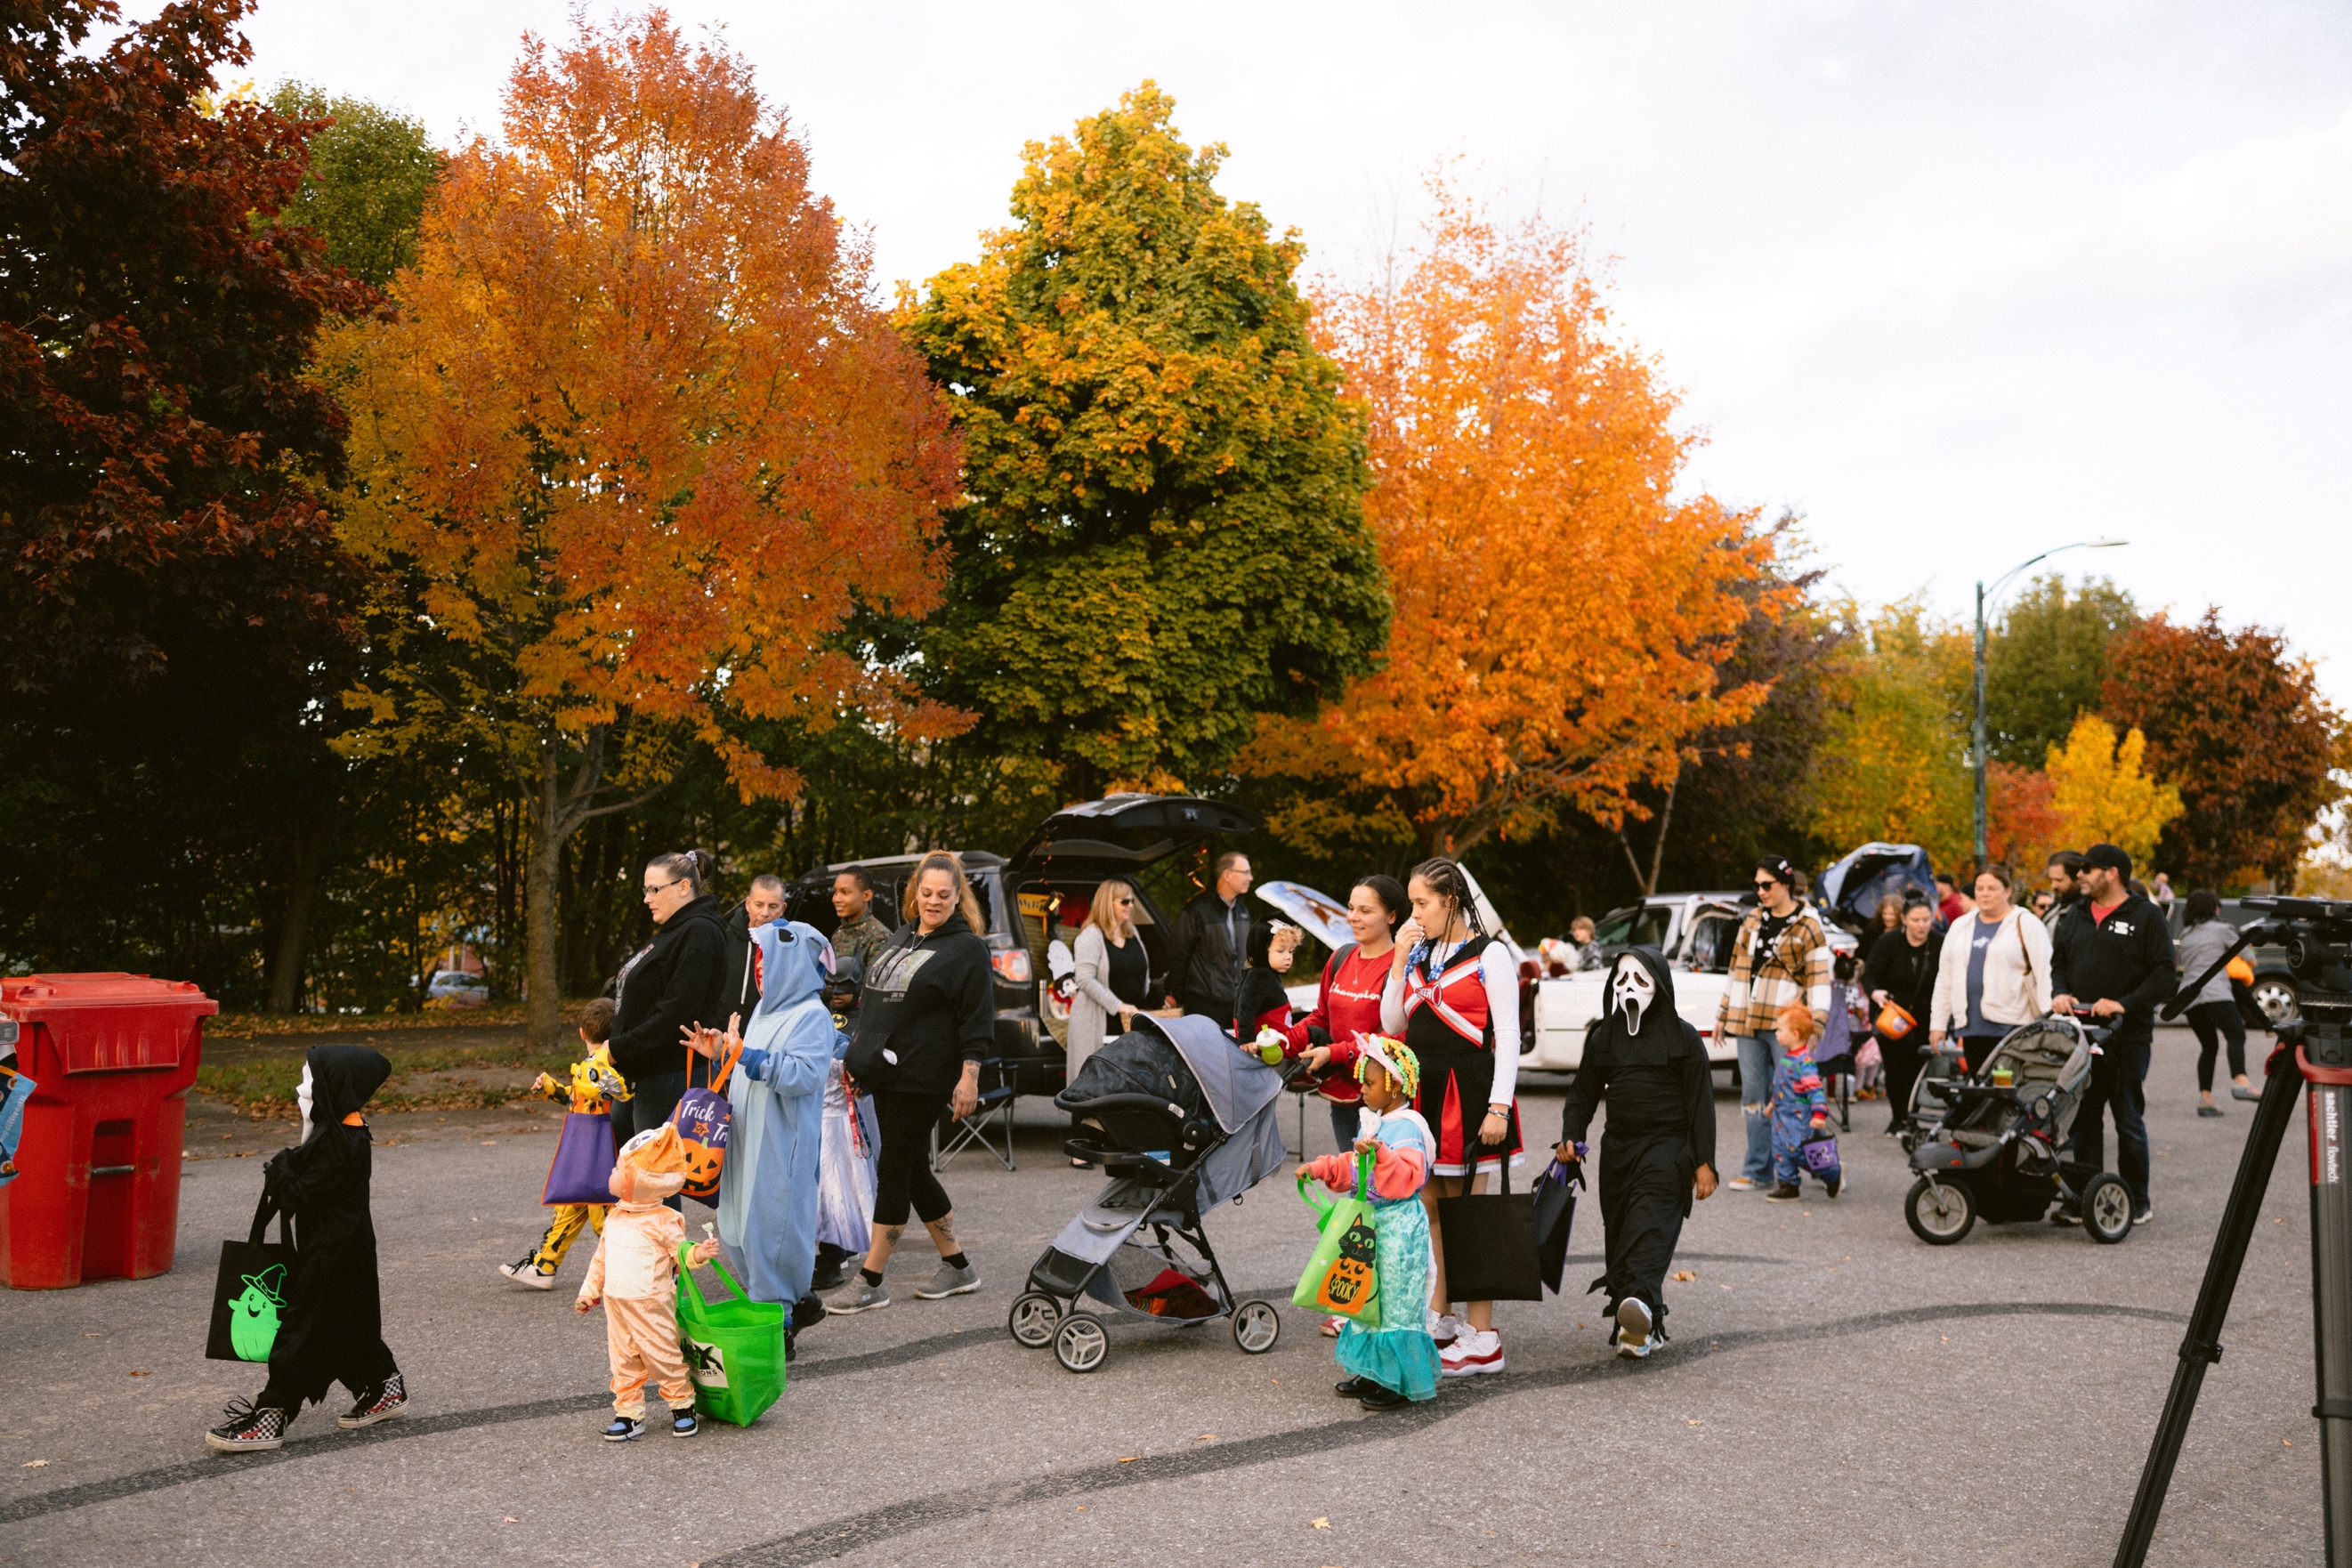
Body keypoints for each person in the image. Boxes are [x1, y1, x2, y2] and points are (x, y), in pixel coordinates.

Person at [206, 1046, 407, 1451]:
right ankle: (384, 1386)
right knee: (348, 1324)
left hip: (331, 1255)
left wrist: (280, 1173)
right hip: (343, 1249)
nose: (301, 1087)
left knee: (301, 1330)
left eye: (309, 1079)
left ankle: (272, 1414)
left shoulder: (341, 1143)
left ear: (335, 1086)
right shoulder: (344, 1132)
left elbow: (301, 1193)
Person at [828, 851, 992, 1313]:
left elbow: (977, 1022)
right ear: (914, 893)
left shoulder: (967, 950)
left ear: (958, 897)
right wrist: (862, 1065)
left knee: (894, 1168)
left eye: (943, 895)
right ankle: (958, 1266)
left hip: (925, 1076)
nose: (933, 902)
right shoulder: (904, 936)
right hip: (887, 1074)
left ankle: (871, 1278)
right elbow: (880, 1007)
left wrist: (969, 1079)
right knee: (914, 1168)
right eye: (926, 893)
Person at [1381, 856, 1522, 1378]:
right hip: (1424, 1096)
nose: (1413, 914)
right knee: (1432, 1209)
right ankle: (1441, 1315)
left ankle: (1484, 1337)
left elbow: (1508, 1033)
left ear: (1452, 902)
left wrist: (1499, 1106)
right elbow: (1393, 1021)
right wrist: (1397, 963)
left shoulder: (1492, 955)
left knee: (1471, 1215)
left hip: (1472, 1094)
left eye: (1421, 903)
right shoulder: (1417, 954)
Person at [1555, 948, 1717, 1359]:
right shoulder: (1604, 1037)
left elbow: (1701, 1104)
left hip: (1668, 1149)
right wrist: (1571, 1135)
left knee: (1651, 1223)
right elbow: (1583, 1092)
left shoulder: (1684, 1038)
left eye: (1640, 979)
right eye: (1622, 978)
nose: (1629, 987)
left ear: (1660, 987)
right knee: (1623, 1231)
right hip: (1619, 1150)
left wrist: (1704, 1162)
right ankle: (1641, 1327)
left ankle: (1640, 1303)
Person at [694, 920, 835, 1345]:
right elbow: (746, 1066)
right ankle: (793, 1303)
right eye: (757, 959)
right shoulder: (764, 1010)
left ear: (791, 963)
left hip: (778, 1145)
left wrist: (744, 1054)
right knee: (736, 1226)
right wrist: (722, 1054)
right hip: (746, 1138)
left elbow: (803, 1075)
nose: (758, 968)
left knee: (771, 1232)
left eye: (766, 959)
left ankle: (779, 1323)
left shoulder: (812, 1017)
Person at [1297, 1036, 1440, 1410]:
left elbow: (1410, 1175)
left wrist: (1381, 1154)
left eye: (1369, 1083)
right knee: (1367, 1298)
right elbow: (1353, 1166)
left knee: (1395, 1302)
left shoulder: (1410, 1127)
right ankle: (1373, 1369)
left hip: (1398, 1229)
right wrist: (1322, 1168)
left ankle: (1398, 1381)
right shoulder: (1373, 1123)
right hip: (1371, 1224)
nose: (1362, 1089)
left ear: (1394, 1085)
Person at [2051, 843, 2177, 1227]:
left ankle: (2136, 1199)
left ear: (2112, 873)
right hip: (2083, 1035)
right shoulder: (2075, 915)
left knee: (2127, 1119)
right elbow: (2060, 963)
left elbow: (2163, 977)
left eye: (2088, 869)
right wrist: (2059, 993)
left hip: (2127, 1036)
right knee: (2085, 1121)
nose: (2081, 876)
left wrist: (2123, 1003)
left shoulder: (2146, 916)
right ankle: (2085, 1198)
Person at [575, 1125, 718, 1441]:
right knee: (623, 1361)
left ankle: (682, 1406)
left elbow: (680, 1253)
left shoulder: (663, 1219)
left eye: (618, 1169)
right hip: (617, 1305)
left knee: (664, 1356)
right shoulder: (615, 1216)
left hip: (652, 1304)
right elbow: (601, 1259)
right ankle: (629, 1413)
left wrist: (699, 1252)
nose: (611, 1173)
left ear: (638, 1183)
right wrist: (589, 1290)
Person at [608, 851, 732, 1184]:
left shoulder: (699, 933)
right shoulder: (673, 929)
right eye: (645, 890)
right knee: (636, 1175)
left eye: (654, 890)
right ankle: (640, 1236)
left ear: (684, 887)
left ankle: (664, 1237)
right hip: (641, 1070)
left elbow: (676, 1013)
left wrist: (617, 1048)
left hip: (668, 1073)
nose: (647, 899)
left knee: (656, 1180)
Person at [1715, 856, 1831, 1192]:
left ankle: (1825, 1165)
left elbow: (1820, 980)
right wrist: (1724, 1014)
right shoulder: (1751, 920)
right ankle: (1758, 1170)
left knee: (1796, 1100)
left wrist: (1817, 1027)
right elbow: (1737, 971)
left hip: (1788, 1025)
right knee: (1752, 1097)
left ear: (1787, 884)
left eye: (1767, 885)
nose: (1761, 892)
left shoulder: (1809, 924)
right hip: (1749, 1020)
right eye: (1757, 886)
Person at [500, 996, 629, 1289]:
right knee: (572, 1208)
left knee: (604, 1217)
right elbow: (578, 1096)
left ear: (582, 1032)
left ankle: (626, 1270)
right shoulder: (597, 1067)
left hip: (599, 1155)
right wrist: (552, 1089)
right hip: (588, 1153)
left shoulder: (600, 1068)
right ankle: (545, 1266)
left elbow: (608, 1092)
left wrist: (589, 1083)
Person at [1280, 874, 1407, 1158]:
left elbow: (1393, 1038)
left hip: (1381, 1099)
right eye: (1351, 908)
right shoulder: (1340, 958)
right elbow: (1321, 1017)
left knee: (1383, 1189)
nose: (1353, 917)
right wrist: (1284, 1040)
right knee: (1355, 1185)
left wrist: (1334, 1053)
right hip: (1341, 1096)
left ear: (1391, 916)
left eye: (1365, 911)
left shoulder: (1400, 967)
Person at [814, 868, 891, 1289]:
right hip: (834, 1035)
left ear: (867, 893)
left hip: (859, 1042)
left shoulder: (878, 937)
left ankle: (849, 1240)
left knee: (857, 1155)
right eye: (835, 892)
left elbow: (881, 993)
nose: (837, 898)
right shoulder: (838, 935)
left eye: (846, 892)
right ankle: (836, 1241)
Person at [1929, 863, 2054, 1071]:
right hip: (1971, 1027)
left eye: (1992, 888)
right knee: (1980, 1092)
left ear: (2008, 891)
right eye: (1980, 888)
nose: (1985, 894)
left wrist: (2051, 1020)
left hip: (2013, 1026)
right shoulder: (1961, 926)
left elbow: (2045, 974)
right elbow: (1945, 979)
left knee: (2007, 1092)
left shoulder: (2026, 924)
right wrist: (1938, 1025)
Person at [1067, 876, 1165, 1088]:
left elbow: (1142, 973)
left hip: (1129, 1021)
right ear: (1107, 903)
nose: (1131, 906)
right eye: (1125, 901)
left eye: (1132, 901)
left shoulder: (1132, 932)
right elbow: (1084, 980)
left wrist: (1153, 1000)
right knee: (1096, 1084)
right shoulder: (1091, 935)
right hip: (1100, 1021)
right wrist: (1118, 1006)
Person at [1863, 900, 1941, 1135]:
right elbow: (1869, 975)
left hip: (1926, 1016)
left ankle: (1912, 1117)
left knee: (1917, 1069)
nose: (1921, 926)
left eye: (1926, 920)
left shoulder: (1939, 943)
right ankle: (1899, 1118)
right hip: (1892, 1016)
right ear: (1904, 919)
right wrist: (1875, 992)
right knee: (1895, 1068)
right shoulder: (1888, 942)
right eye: (1916, 920)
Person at [2176, 890, 2254, 1115]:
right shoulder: (2223, 929)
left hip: (2189, 998)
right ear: (2214, 909)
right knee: (2236, 1034)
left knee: (2209, 1047)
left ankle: (2205, 1100)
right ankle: (2241, 1081)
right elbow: (2250, 958)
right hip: (2216, 993)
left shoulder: (2186, 934)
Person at [1168, 851, 1254, 1029]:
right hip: (1204, 1004)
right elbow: (1178, 956)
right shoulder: (1195, 911)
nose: (1250, 878)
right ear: (1227, 875)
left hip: (1236, 1003)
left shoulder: (1243, 912)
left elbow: (1247, 957)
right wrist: (1176, 994)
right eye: (1245, 872)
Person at [1766, 1003, 1836, 1201]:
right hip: (1782, 1117)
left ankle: (1832, 1173)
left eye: (1780, 1030)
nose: (1776, 1033)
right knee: (1780, 1150)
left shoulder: (1805, 1063)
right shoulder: (1787, 1058)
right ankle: (1788, 1185)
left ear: (1795, 1034)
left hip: (1800, 1119)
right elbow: (1781, 1086)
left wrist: (1819, 1114)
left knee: (1803, 1151)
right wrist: (1773, 1103)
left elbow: (1815, 1091)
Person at [720, 874, 787, 1022]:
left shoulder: (790, 946)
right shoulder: (725, 939)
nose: (765, 913)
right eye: (759, 905)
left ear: (783, 908)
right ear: (748, 904)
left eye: (773, 906)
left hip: (767, 1032)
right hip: (723, 1032)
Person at [1233, 920, 1301, 1043]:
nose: (1288, 957)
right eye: (1281, 951)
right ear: (1262, 952)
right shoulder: (1261, 975)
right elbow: (1245, 1010)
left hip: (1277, 1036)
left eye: (1290, 951)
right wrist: (1247, 1041)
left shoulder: (1267, 974)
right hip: (1271, 1044)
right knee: (1316, 1033)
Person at [2044, 850, 2087, 932]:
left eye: (2059, 880)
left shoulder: (2085, 914)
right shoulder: (2056, 906)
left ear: (2077, 878)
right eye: (2051, 880)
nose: (2053, 885)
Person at [1863, 895, 1906, 966]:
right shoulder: (1872, 930)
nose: (1887, 917)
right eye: (1885, 913)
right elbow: (1862, 953)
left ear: (1900, 915)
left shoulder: (1904, 933)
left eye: (1892, 914)